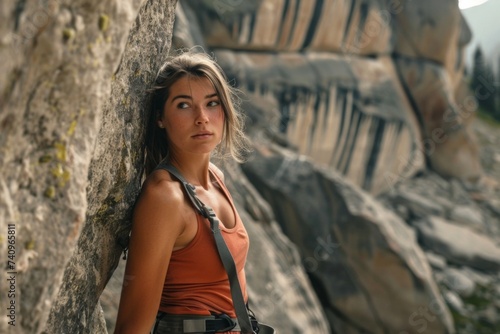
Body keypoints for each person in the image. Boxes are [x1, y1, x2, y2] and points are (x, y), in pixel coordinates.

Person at [114, 51, 251, 334]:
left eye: (212, 103)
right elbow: (132, 327)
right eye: (184, 105)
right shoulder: (165, 199)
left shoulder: (217, 177)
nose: (202, 118)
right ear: (160, 119)